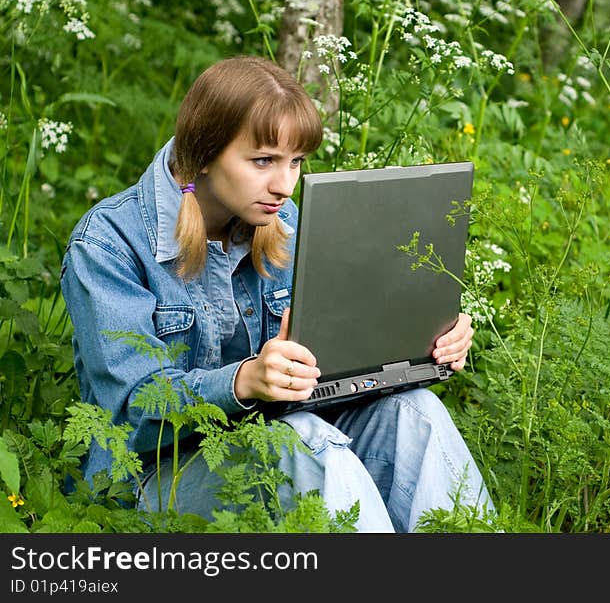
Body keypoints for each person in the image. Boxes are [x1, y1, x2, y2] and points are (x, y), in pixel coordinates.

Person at [59, 55, 494, 532]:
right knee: (301, 442)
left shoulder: (282, 226)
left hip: (278, 440)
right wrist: (243, 380)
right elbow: (130, 410)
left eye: (296, 162)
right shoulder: (109, 243)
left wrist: (426, 344)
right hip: (149, 479)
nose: (285, 185)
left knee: (416, 415)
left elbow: (335, 362)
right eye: (263, 160)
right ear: (204, 153)